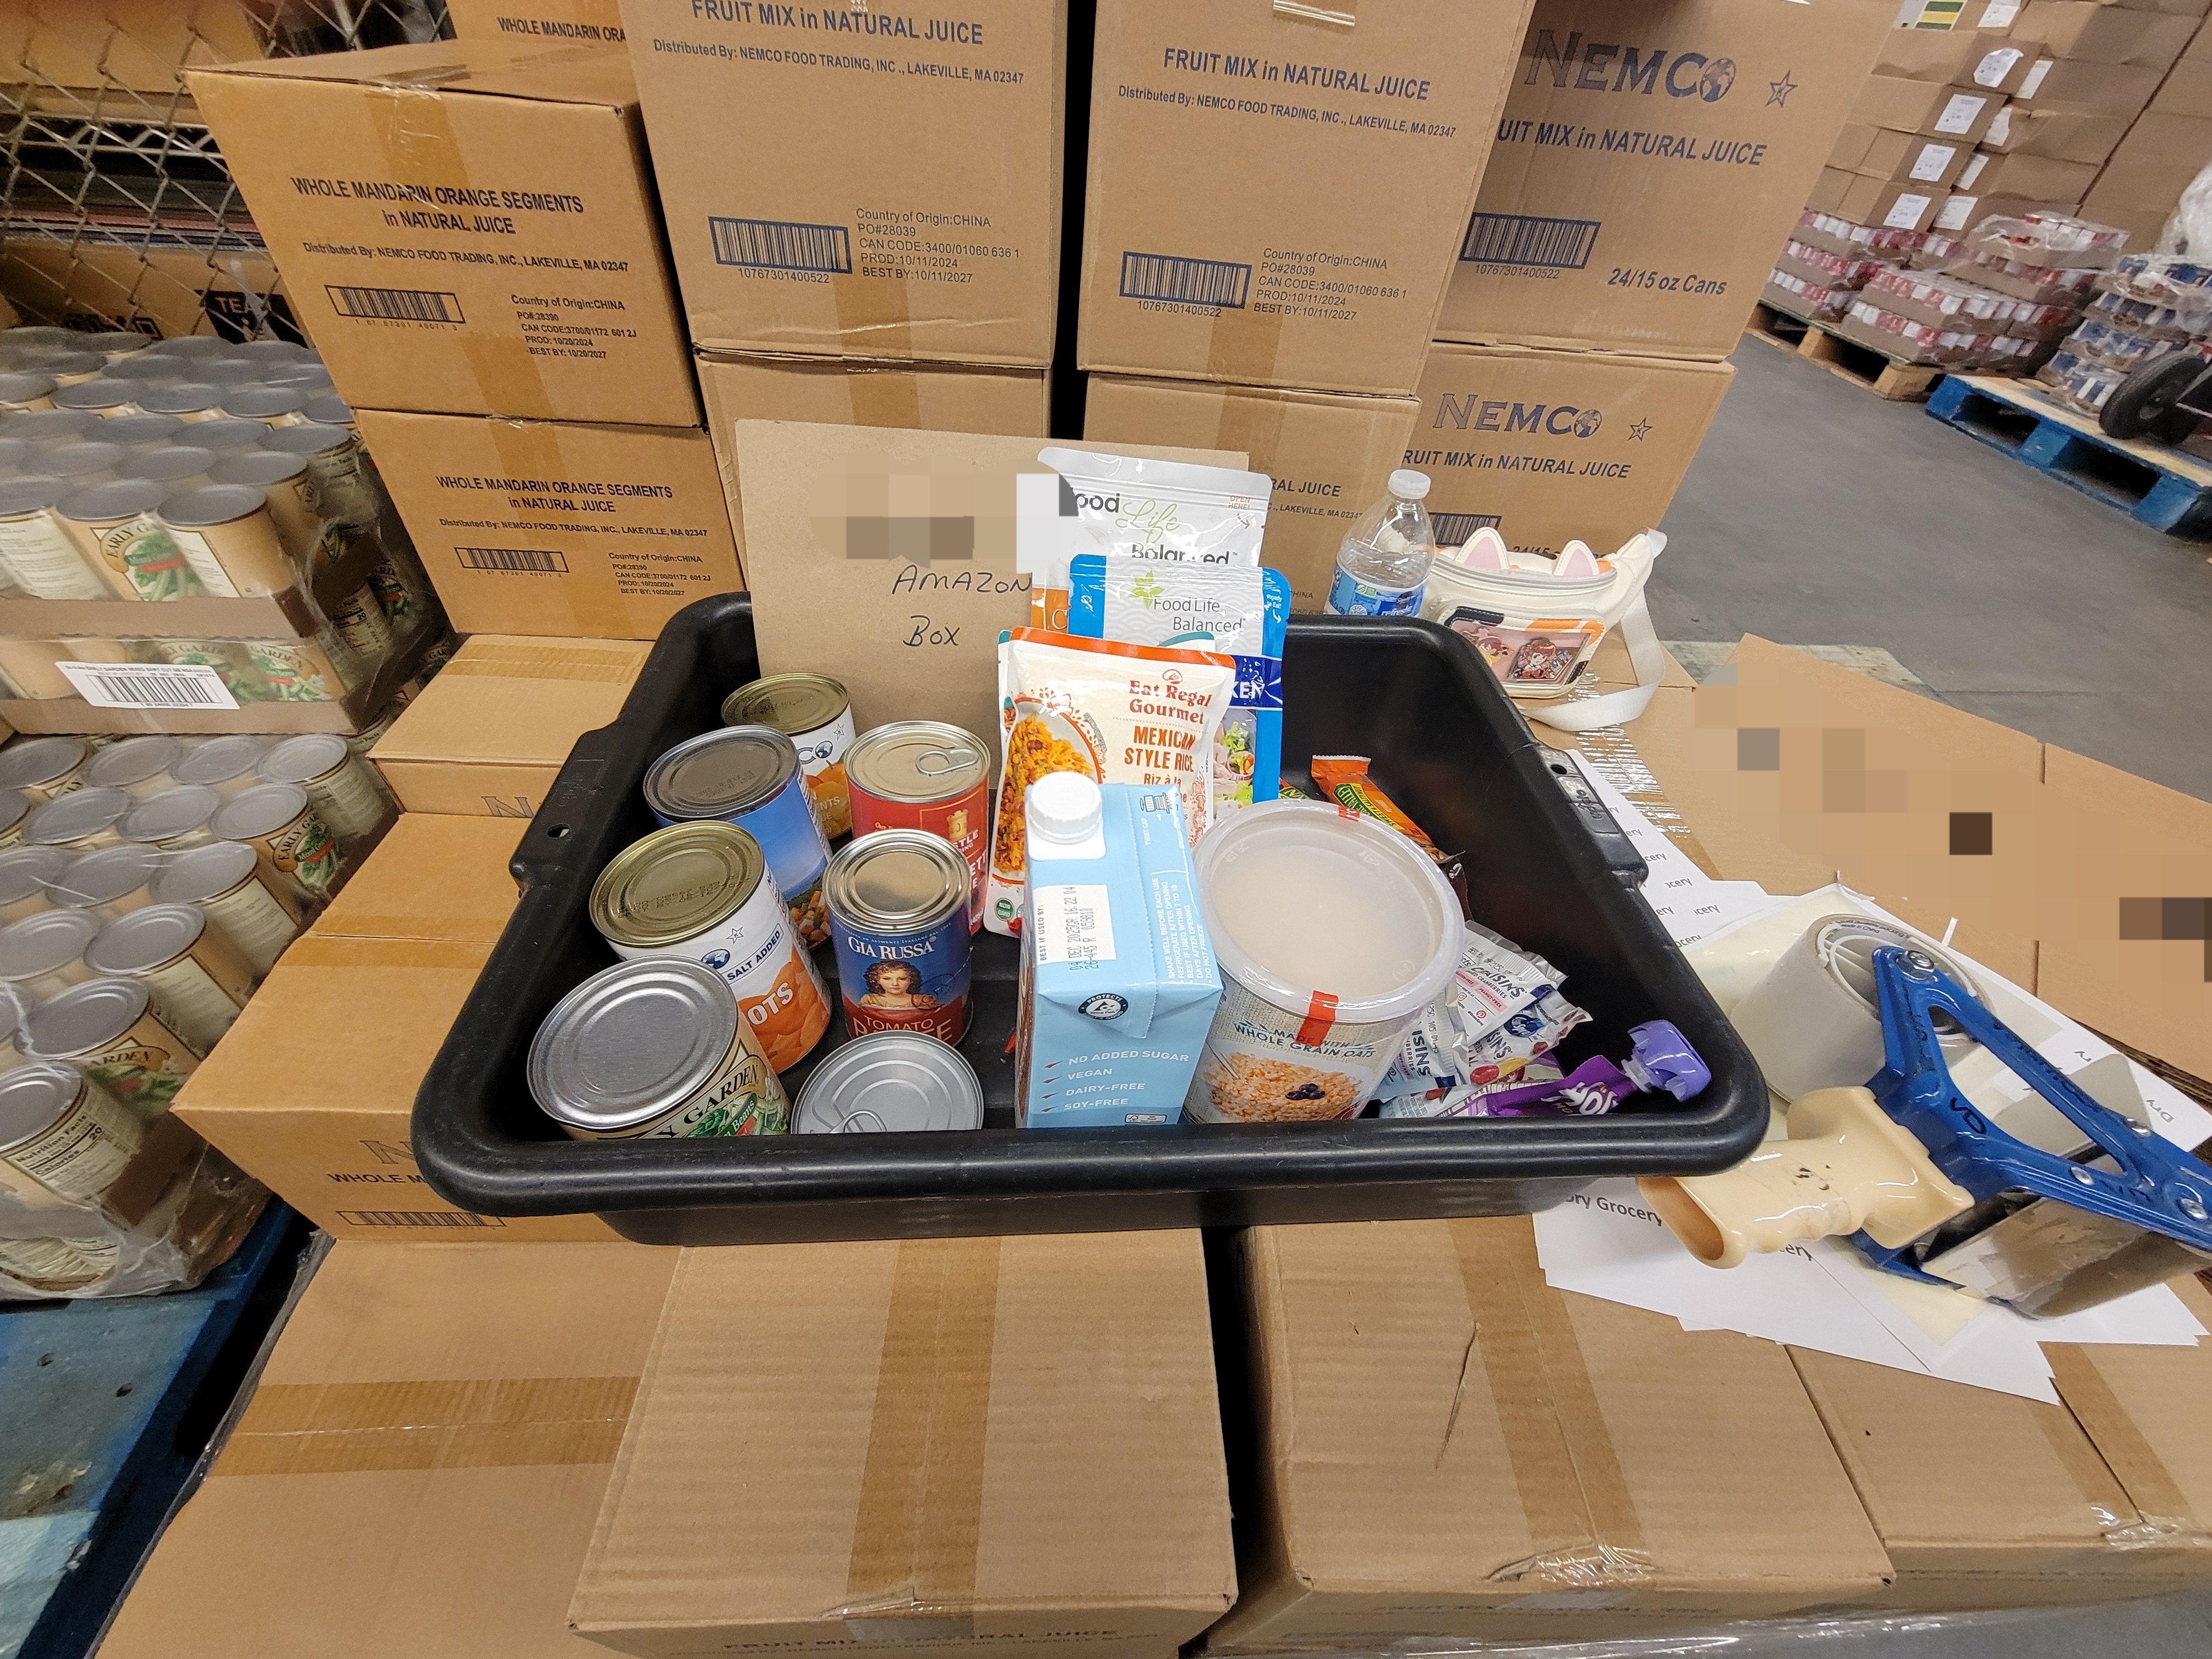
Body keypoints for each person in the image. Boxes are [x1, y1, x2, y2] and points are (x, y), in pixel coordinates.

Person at [857, 959, 939, 1011]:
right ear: (877, 980)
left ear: (911, 980)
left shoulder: (923, 1000)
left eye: (902, 979)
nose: (895, 984)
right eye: (887, 979)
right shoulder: (869, 1000)